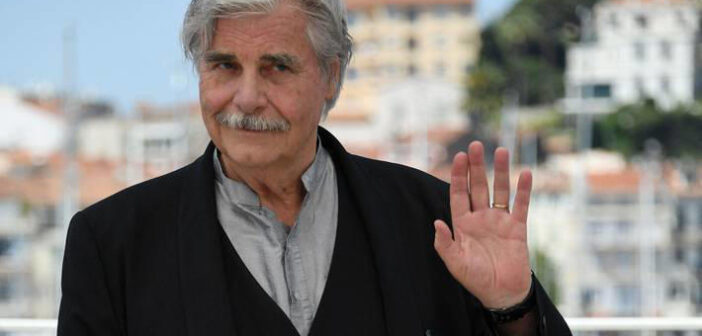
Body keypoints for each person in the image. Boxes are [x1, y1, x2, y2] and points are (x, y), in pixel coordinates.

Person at [57, 0, 571, 335]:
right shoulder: (111, 245)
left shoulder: (436, 221)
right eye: (224, 66)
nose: (247, 97)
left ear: (331, 76)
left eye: (277, 67)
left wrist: (512, 306)